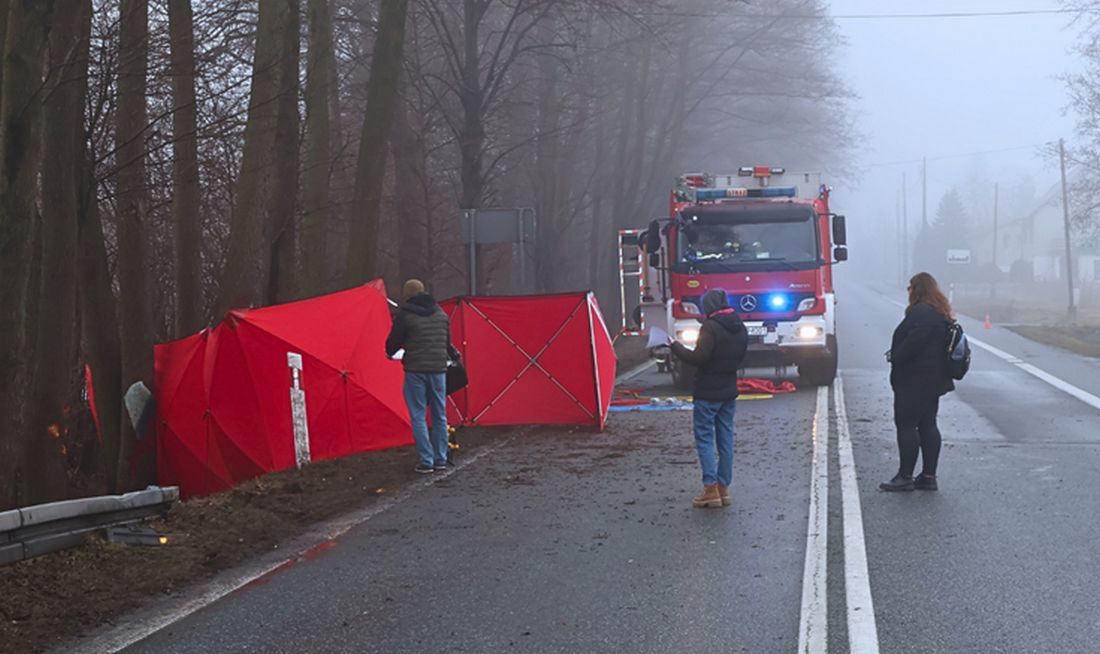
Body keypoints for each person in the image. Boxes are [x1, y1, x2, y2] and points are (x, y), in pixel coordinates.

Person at [670, 288, 748, 508]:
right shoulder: (739, 327)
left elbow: (699, 358)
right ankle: (724, 489)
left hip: (707, 392)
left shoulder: (710, 327)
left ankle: (710, 489)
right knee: (725, 440)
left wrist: (674, 346)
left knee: (704, 438)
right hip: (728, 390)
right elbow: (741, 356)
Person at [880, 272, 955, 492]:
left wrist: (896, 356)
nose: (908, 291)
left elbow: (912, 345)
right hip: (933, 380)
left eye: (910, 287)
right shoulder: (940, 313)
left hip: (914, 380)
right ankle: (929, 476)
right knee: (928, 425)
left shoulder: (921, 314)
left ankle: (905, 476)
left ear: (918, 289)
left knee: (906, 426)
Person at [386, 279, 452, 474]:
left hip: (415, 370)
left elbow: (392, 345)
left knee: (418, 416)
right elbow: (446, 344)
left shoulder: (406, 315)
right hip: (439, 370)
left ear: (407, 295)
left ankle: (426, 460)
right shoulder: (441, 314)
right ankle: (441, 458)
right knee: (440, 415)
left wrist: (394, 351)